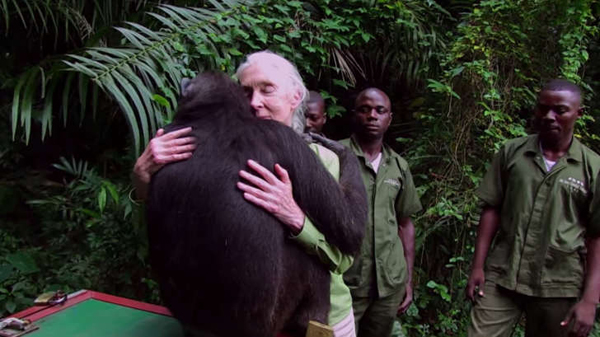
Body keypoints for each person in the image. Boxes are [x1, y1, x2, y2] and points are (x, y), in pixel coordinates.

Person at [132, 51, 356, 337]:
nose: (254, 102)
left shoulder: (322, 157)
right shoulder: (201, 149)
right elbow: (171, 230)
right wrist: (144, 174)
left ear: (295, 98)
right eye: (245, 91)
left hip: (318, 321)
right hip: (239, 320)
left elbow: (347, 255)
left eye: (267, 90)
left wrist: (297, 219)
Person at [466, 79, 600, 337]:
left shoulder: (592, 167)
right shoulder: (512, 152)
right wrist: (478, 266)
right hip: (503, 273)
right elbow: (492, 209)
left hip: (559, 283)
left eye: (560, 110)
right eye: (543, 108)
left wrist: (590, 300)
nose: (549, 116)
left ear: (578, 113)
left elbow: (596, 235)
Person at [340, 88, 422, 337]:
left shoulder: (398, 165)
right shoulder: (335, 156)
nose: (372, 115)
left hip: (388, 284)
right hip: (345, 283)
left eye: (380, 110)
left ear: (389, 118)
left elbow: (405, 223)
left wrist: (407, 279)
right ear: (355, 115)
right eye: (365, 109)